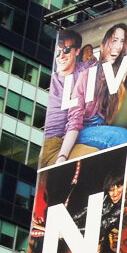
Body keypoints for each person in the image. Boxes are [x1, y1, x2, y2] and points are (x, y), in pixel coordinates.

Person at [57, 24, 127, 163]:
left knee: (126, 134)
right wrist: (62, 156)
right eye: (114, 40)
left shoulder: (122, 74)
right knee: (122, 137)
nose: (117, 46)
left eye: (122, 41)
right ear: (104, 44)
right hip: (83, 130)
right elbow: (75, 118)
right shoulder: (87, 75)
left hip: (105, 127)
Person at [40, 29, 85, 167]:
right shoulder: (52, 82)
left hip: (73, 135)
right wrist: (62, 157)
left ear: (77, 51)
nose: (61, 56)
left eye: (66, 50)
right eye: (58, 52)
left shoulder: (85, 71)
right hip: (51, 143)